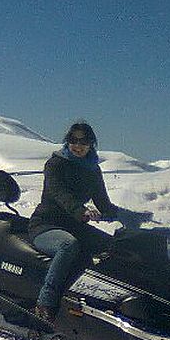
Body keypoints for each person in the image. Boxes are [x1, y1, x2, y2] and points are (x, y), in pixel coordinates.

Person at [28, 121, 149, 324]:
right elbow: (59, 193)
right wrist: (80, 211)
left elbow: (104, 203)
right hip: (46, 225)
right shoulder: (55, 164)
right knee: (68, 246)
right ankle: (45, 303)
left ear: (91, 144)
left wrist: (132, 216)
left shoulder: (92, 170)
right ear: (67, 141)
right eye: (74, 140)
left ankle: (106, 302)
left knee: (113, 246)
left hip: (75, 226)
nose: (78, 145)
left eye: (84, 141)